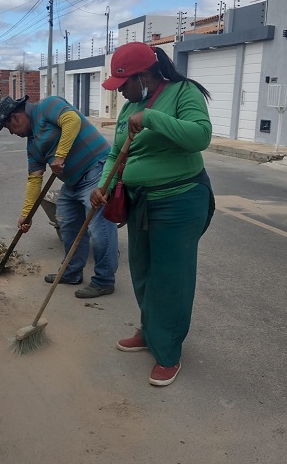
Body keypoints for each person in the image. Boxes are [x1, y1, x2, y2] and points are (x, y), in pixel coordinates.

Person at [90, 42, 215, 387]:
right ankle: (150, 331)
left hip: (180, 200)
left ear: (144, 75)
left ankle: (169, 352)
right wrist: (103, 185)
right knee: (143, 272)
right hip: (140, 202)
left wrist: (151, 118)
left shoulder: (182, 93)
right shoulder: (131, 104)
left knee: (171, 279)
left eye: (125, 84)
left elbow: (200, 136)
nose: (122, 94)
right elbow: (117, 150)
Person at [0, 95, 118, 299]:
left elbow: (73, 120)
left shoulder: (47, 106)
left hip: (96, 169)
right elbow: (34, 180)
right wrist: (27, 215)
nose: (12, 133)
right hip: (73, 183)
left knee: (99, 227)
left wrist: (60, 155)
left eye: (9, 128)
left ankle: (104, 281)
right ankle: (71, 272)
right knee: (67, 223)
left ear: (16, 118)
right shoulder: (32, 144)